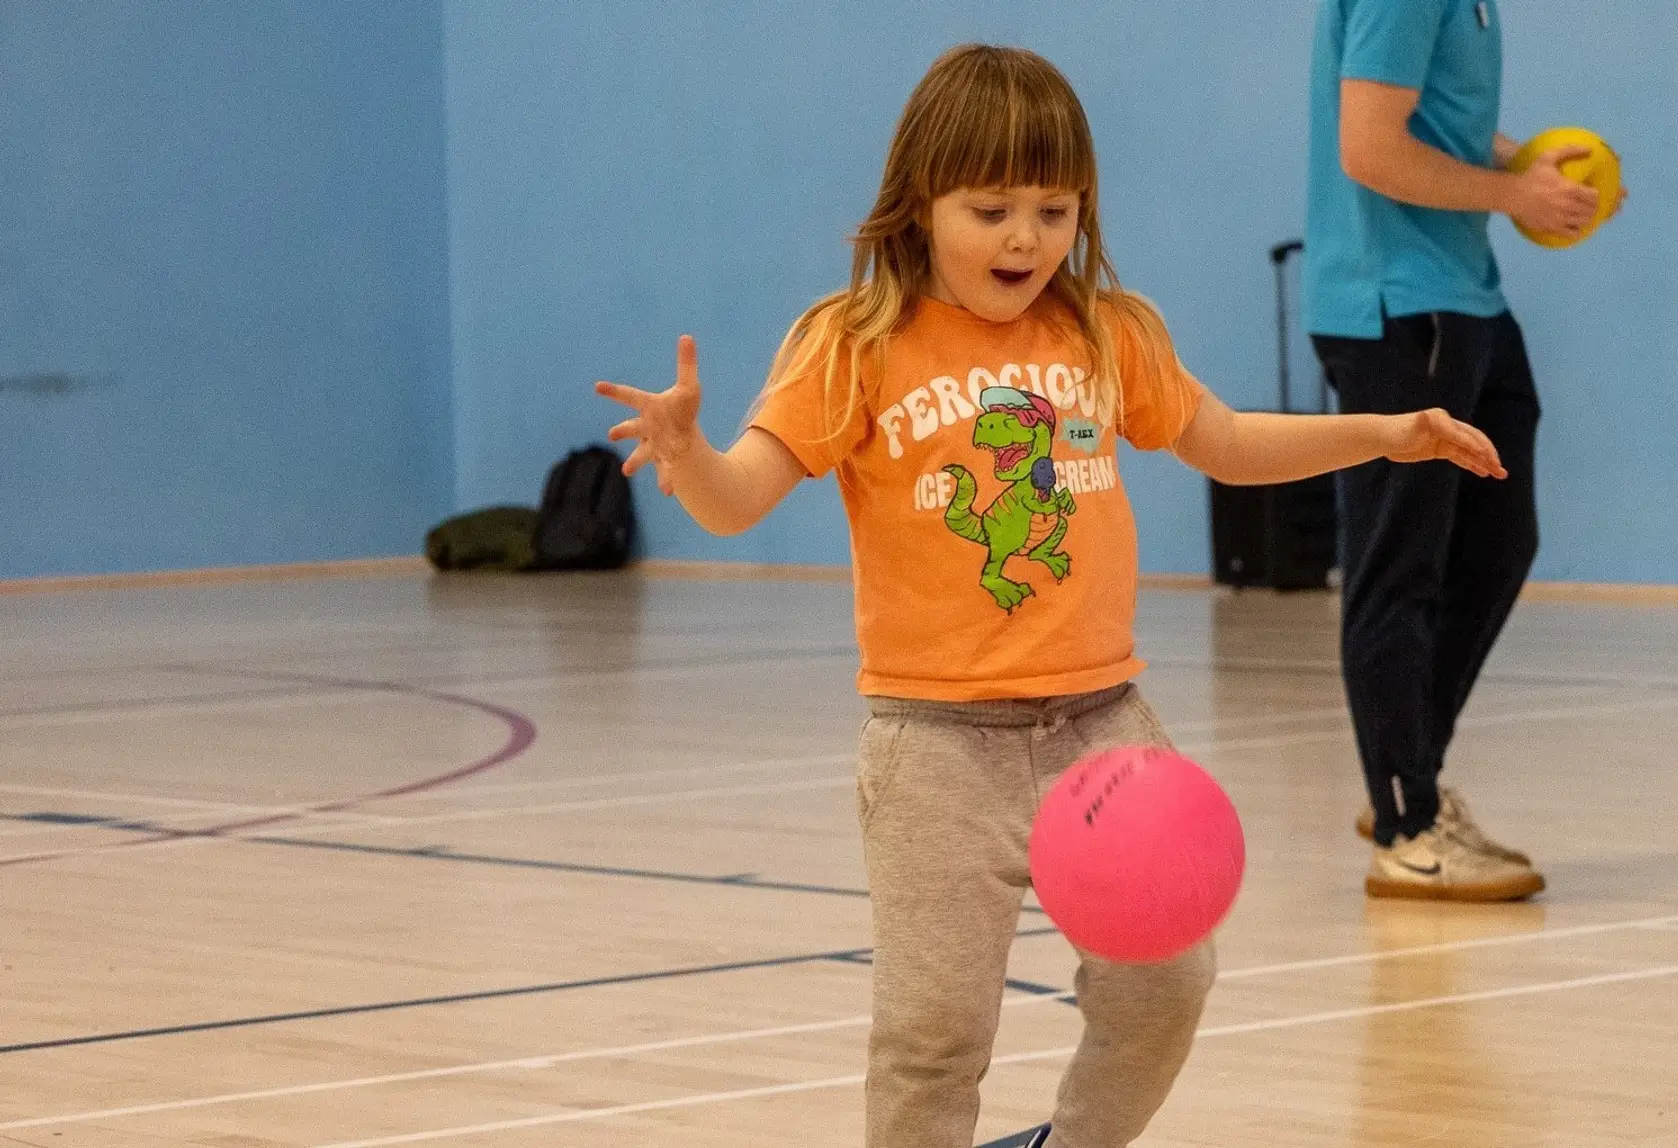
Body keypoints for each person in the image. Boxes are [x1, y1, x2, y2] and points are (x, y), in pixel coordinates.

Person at [599, 44, 1508, 1148]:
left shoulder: (1105, 331)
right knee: (933, 1033)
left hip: (1101, 728)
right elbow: (738, 496)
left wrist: (1385, 432)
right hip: (934, 745)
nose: (1025, 239)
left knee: (1167, 984)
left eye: (1053, 209)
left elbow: (1224, 441)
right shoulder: (852, 344)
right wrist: (689, 454)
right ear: (919, 202)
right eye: (990, 211)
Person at [1304, 0, 1624, 902]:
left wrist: (1530, 169)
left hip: (1463, 295)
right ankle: (1409, 830)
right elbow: (1370, 148)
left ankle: (1403, 770)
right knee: (1399, 565)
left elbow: (1432, 123)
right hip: (1397, 308)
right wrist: (1515, 196)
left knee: (1498, 540)